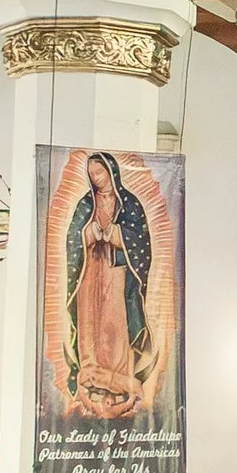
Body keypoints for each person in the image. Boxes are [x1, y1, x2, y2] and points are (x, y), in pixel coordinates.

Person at [64, 149, 157, 416]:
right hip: (90, 269)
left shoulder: (129, 203)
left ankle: (117, 373)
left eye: (99, 172)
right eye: (91, 174)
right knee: (90, 322)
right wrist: (90, 233)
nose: (95, 178)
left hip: (117, 271)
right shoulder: (85, 203)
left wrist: (116, 233)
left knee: (114, 323)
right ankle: (91, 369)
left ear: (111, 171)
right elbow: (73, 237)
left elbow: (140, 239)